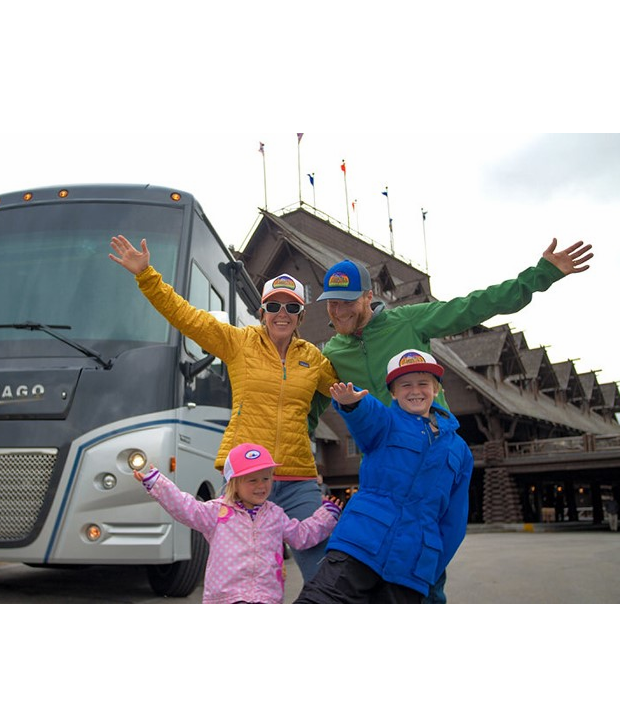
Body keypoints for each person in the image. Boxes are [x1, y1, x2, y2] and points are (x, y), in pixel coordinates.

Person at [312, 238, 594, 601]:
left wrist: (540, 275)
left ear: (368, 297)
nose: (339, 311)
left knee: (422, 563)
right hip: (383, 458)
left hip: (432, 449)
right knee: (361, 563)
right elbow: (314, 399)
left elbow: (473, 307)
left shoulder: (408, 322)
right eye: (332, 303)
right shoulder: (333, 351)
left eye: (348, 301)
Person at [109, 235, 339, 584]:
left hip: (297, 478)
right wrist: (146, 275)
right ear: (261, 313)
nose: (282, 314)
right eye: (274, 306)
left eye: (292, 307)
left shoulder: (313, 359)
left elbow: (347, 387)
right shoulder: (238, 343)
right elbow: (185, 316)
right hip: (244, 476)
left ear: (301, 316)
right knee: (239, 571)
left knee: (323, 572)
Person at [295, 349, 473, 604]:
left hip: (412, 562)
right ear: (393, 392)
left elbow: (454, 520)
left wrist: (430, 569)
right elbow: (366, 415)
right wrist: (352, 402)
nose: (415, 391)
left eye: (423, 384)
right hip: (359, 542)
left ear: (437, 390)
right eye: (405, 385)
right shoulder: (386, 423)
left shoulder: (460, 450)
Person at [136, 443, 340, 603]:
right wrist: (158, 483)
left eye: (266, 478)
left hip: (266, 599)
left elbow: (300, 536)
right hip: (226, 599)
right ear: (233, 482)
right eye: (252, 480)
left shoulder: (275, 514)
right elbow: (185, 507)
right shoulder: (217, 512)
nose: (261, 486)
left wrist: (327, 515)